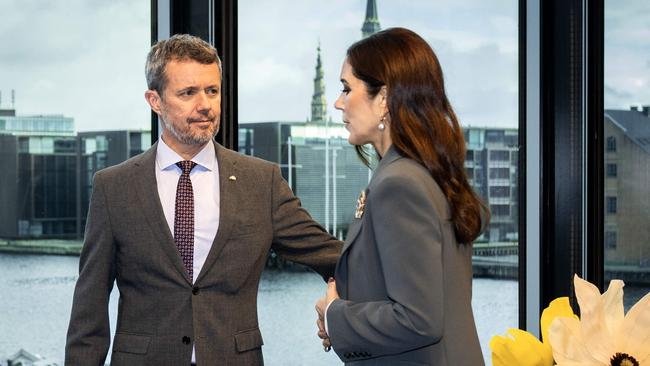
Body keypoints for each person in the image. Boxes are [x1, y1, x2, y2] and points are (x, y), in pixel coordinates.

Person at [65, 34, 342, 366]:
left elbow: (332, 256)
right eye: (188, 93)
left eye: (212, 90)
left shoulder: (261, 181)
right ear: (155, 100)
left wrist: (403, 272)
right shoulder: (115, 187)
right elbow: (89, 309)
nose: (206, 105)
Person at [314, 27, 489, 365]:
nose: (338, 102)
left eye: (347, 89)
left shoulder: (400, 185)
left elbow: (418, 318)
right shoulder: (427, 173)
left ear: (384, 98)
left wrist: (336, 316)